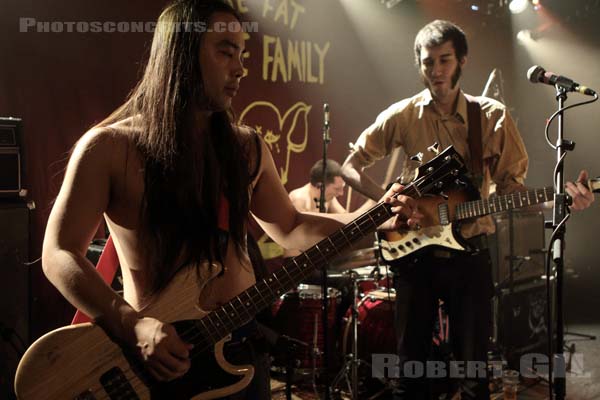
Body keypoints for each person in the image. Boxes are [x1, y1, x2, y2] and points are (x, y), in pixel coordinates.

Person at [40, 1, 420, 399]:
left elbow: (291, 228)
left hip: (239, 352)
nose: (239, 67)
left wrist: (375, 217)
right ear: (180, 53)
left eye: (241, 53)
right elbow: (58, 252)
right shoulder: (109, 148)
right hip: (156, 361)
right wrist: (130, 324)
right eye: (224, 50)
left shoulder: (246, 149)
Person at [341, 19, 594, 400]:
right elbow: (350, 165)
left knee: (474, 373)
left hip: (470, 256)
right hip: (413, 257)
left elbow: (514, 191)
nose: (436, 70)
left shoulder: (491, 116)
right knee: (411, 372)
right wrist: (387, 204)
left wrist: (564, 199)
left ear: (462, 61)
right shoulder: (403, 115)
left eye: (444, 60)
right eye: (428, 62)